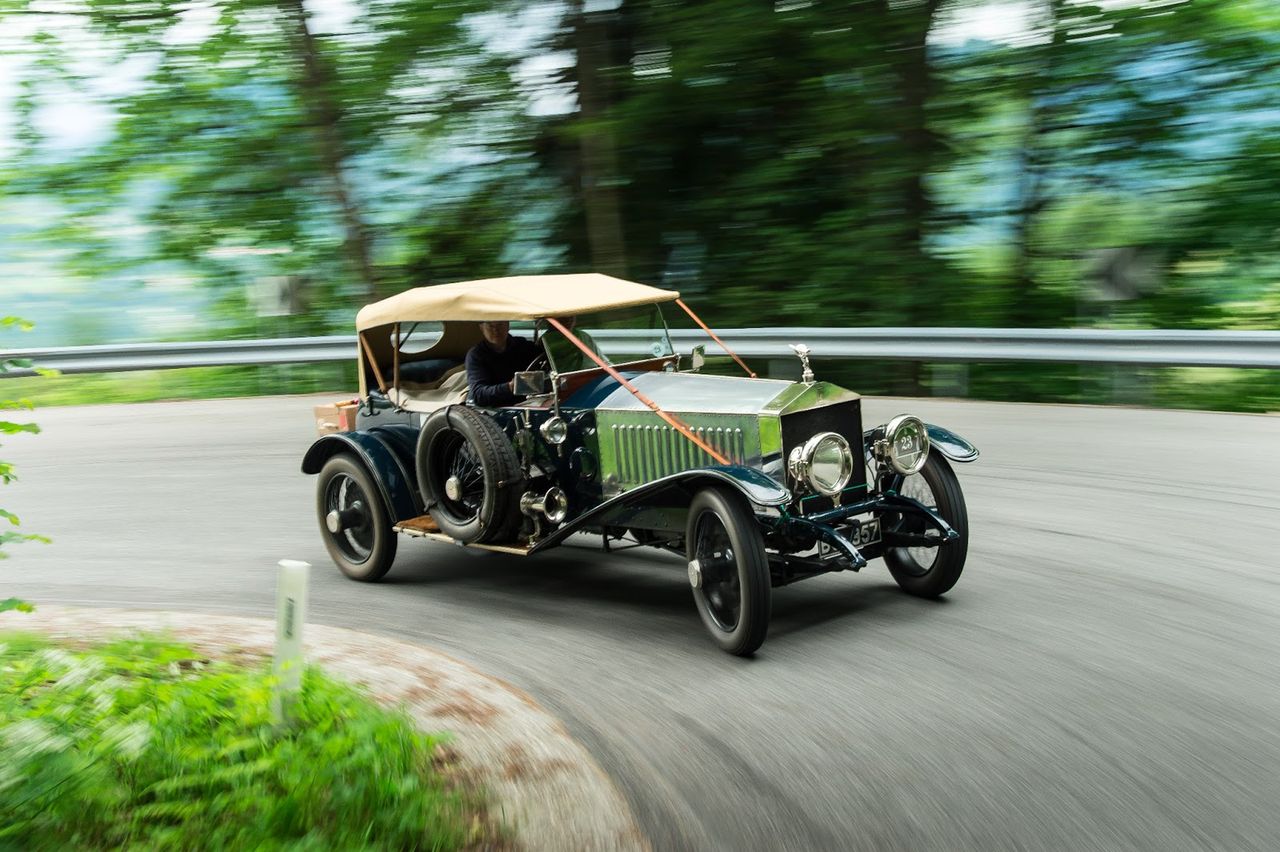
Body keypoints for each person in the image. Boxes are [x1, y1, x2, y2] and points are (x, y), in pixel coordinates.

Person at [465, 320, 540, 407]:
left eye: (500, 324)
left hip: (530, 403)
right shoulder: (476, 355)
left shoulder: (525, 347)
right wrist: (509, 387)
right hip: (493, 410)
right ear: (482, 328)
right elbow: (478, 395)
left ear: (507, 325)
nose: (496, 330)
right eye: (490, 326)